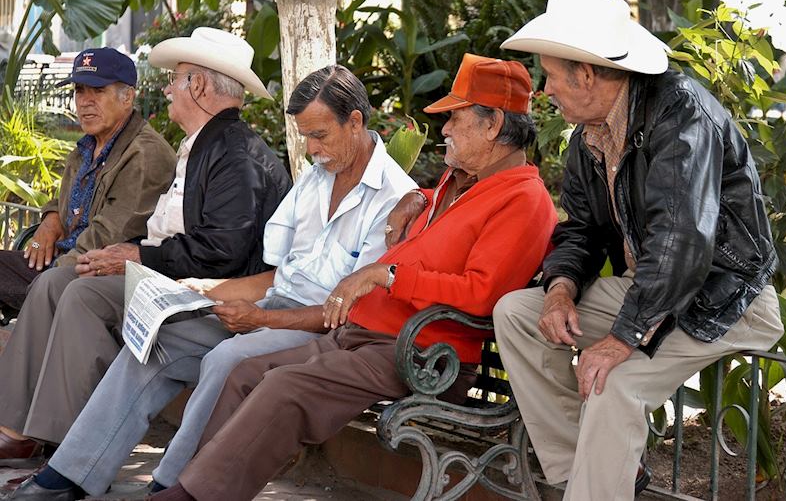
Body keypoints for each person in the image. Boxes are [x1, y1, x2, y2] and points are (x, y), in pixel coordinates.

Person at [144, 53, 559, 501]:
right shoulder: (457, 183)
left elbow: (481, 295)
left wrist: (389, 275)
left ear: (493, 123)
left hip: (423, 354)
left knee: (284, 387)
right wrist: (416, 199)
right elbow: (445, 234)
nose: (445, 130)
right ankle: (194, 486)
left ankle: (192, 497)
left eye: (455, 119)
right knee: (243, 372)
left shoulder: (523, 199)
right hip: (369, 334)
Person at [9, 64, 417, 501]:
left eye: (319, 135)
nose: (312, 149)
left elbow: (347, 313)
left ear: (355, 121)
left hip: (318, 330)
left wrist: (259, 317)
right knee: (155, 341)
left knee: (228, 358)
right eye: (305, 137)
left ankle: (173, 486)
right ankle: (69, 475)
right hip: (271, 310)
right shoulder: (318, 178)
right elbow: (279, 277)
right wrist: (202, 291)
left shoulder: (393, 198)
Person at [491, 0, 784, 500]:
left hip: (724, 299)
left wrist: (622, 339)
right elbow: (581, 229)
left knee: (613, 383)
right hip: (655, 292)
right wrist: (559, 287)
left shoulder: (682, 113)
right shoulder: (591, 133)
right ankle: (583, 473)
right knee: (519, 312)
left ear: (586, 74)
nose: (546, 89)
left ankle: (596, 485)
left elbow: (682, 238)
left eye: (552, 76)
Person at [0, 28, 291, 468]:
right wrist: (75, 229)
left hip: (208, 294)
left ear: (199, 85)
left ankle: (64, 451)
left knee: (79, 289)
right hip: (175, 278)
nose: (169, 89)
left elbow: (220, 253)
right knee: (62, 280)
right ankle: (17, 430)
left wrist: (136, 255)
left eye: (176, 79)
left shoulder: (235, 155)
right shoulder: (206, 145)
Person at [0, 48, 175, 313]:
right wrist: (51, 219)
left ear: (127, 97)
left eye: (98, 91)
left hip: (93, 277)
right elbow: (70, 201)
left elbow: (108, 237)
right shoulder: (87, 147)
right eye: (80, 90)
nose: (84, 101)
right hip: (63, 263)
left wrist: (50, 277)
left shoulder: (145, 154)